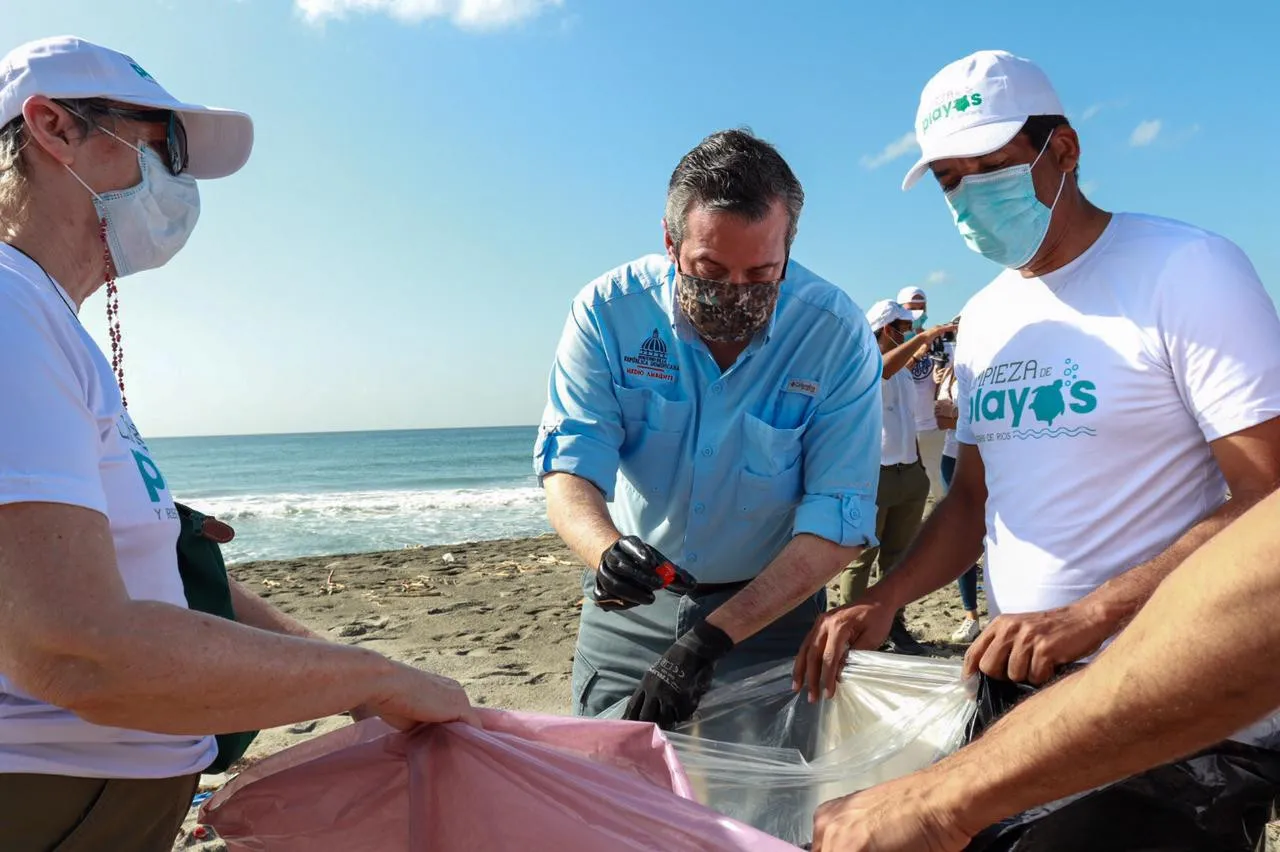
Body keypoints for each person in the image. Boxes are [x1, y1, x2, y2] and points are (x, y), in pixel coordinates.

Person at [0, 36, 478, 852]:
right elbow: (73, 649)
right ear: (54, 127)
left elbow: (151, 588)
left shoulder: (42, 319)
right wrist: (371, 675)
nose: (178, 184)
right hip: (50, 809)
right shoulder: (12, 315)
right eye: (166, 146)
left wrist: (351, 676)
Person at [794, 48, 1280, 707]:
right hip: (1016, 678)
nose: (970, 198)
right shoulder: (990, 316)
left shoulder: (1187, 270)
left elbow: (1266, 496)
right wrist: (884, 598)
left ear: (1065, 149)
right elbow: (970, 502)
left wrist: (1093, 615)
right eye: (948, 180)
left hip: (1165, 681)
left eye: (992, 168)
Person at [534, 128, 883, 729]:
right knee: (610, 796)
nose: (734, 295)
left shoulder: (835, 335)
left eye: (761, 274)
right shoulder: (608, 311)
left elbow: (839, 516)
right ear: (671, 242)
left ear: (789, 248)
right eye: (710, 270)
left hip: (772, 611)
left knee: (767, 810)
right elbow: (571, 462)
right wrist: (604, 551)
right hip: (630, 606)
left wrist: (712, 640)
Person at [810, 485, 1280, 852]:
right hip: (1016, 690)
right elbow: (973, 497)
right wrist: (886, 595)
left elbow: (1262, 531)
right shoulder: (980, 356)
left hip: (1170, 711)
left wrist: (937, 800)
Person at [837, 301, 954, 656]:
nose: (910, 330)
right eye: (903, 325)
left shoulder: (904, 368)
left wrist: (918, 466)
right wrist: (927, 338)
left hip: (907, 472)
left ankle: (893, 623)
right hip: (874, 476)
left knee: (898, 558)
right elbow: (881, 371)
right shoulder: (863, 361)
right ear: (886, 328)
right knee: (861, 559)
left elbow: (908, 417)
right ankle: (852, 627)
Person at [931, 320, 983, 643]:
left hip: (988, 455)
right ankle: (970, 614)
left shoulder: (990, 364)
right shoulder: (951, 370)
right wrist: (962, 415)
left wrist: (958, 415)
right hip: (953, 456)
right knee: (963, 535)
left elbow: (983, 417)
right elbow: (939, 417)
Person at [897, 286, 945, 502]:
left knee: (938, 486)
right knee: (908, 491)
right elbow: (890, 373)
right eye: (911, 309)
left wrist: (942, 377)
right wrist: (917, 352)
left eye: (921, 308)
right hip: (901, 429)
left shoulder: (939, 343)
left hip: (932, 428)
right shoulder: (893, 343)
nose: (917, 314)